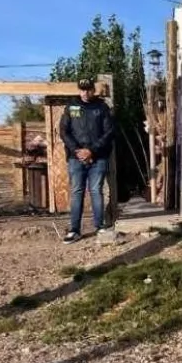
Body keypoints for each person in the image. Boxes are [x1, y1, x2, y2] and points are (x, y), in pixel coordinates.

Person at [59, 77, 115, 244]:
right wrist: (78, 151)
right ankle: (74, 230)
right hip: (76, 158)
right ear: (79, 90)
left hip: (98, 157)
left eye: (88, 89)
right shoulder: (71, 107)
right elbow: (64, 131)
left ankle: (100, 227)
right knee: (77, 192)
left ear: (93, 90)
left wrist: (91, 150)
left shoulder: (102, 107)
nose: (85, 92)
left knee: (96, 191)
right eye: (82, 89)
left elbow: (109, 132)